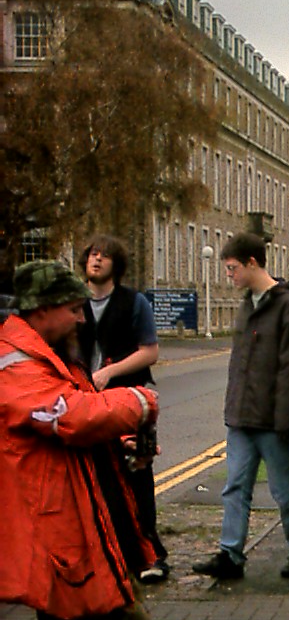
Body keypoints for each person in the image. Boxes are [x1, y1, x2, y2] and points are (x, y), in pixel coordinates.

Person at [1, 261, 160, 620]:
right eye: (70, 307)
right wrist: (135, 401)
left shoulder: (41, 356)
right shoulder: (16, 364)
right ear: (41, 309)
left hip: (73, 527)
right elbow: (70, 416)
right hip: (53, 536)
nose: (78, 316)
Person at [193, 233, 289, 581]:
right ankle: (230, 554)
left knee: (284, 488)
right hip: (242, 416)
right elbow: (241, 362)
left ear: (252, 263)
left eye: (232, 269)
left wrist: (286, 421)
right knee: (235, 486)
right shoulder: (248, 303)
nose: (228, 275)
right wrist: (232, 407)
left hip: (273, 420)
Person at [77, 234, 168, 584]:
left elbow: (150, 351)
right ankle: (103, 553)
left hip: (129, 399)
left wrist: (109, 371)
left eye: (105, 256)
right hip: (84, 402)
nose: (96, 260)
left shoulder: (134, 302)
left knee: (137, 472)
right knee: (91, 475)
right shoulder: (74, 302)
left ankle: (152, 554)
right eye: (92, 254)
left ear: (117, 265)